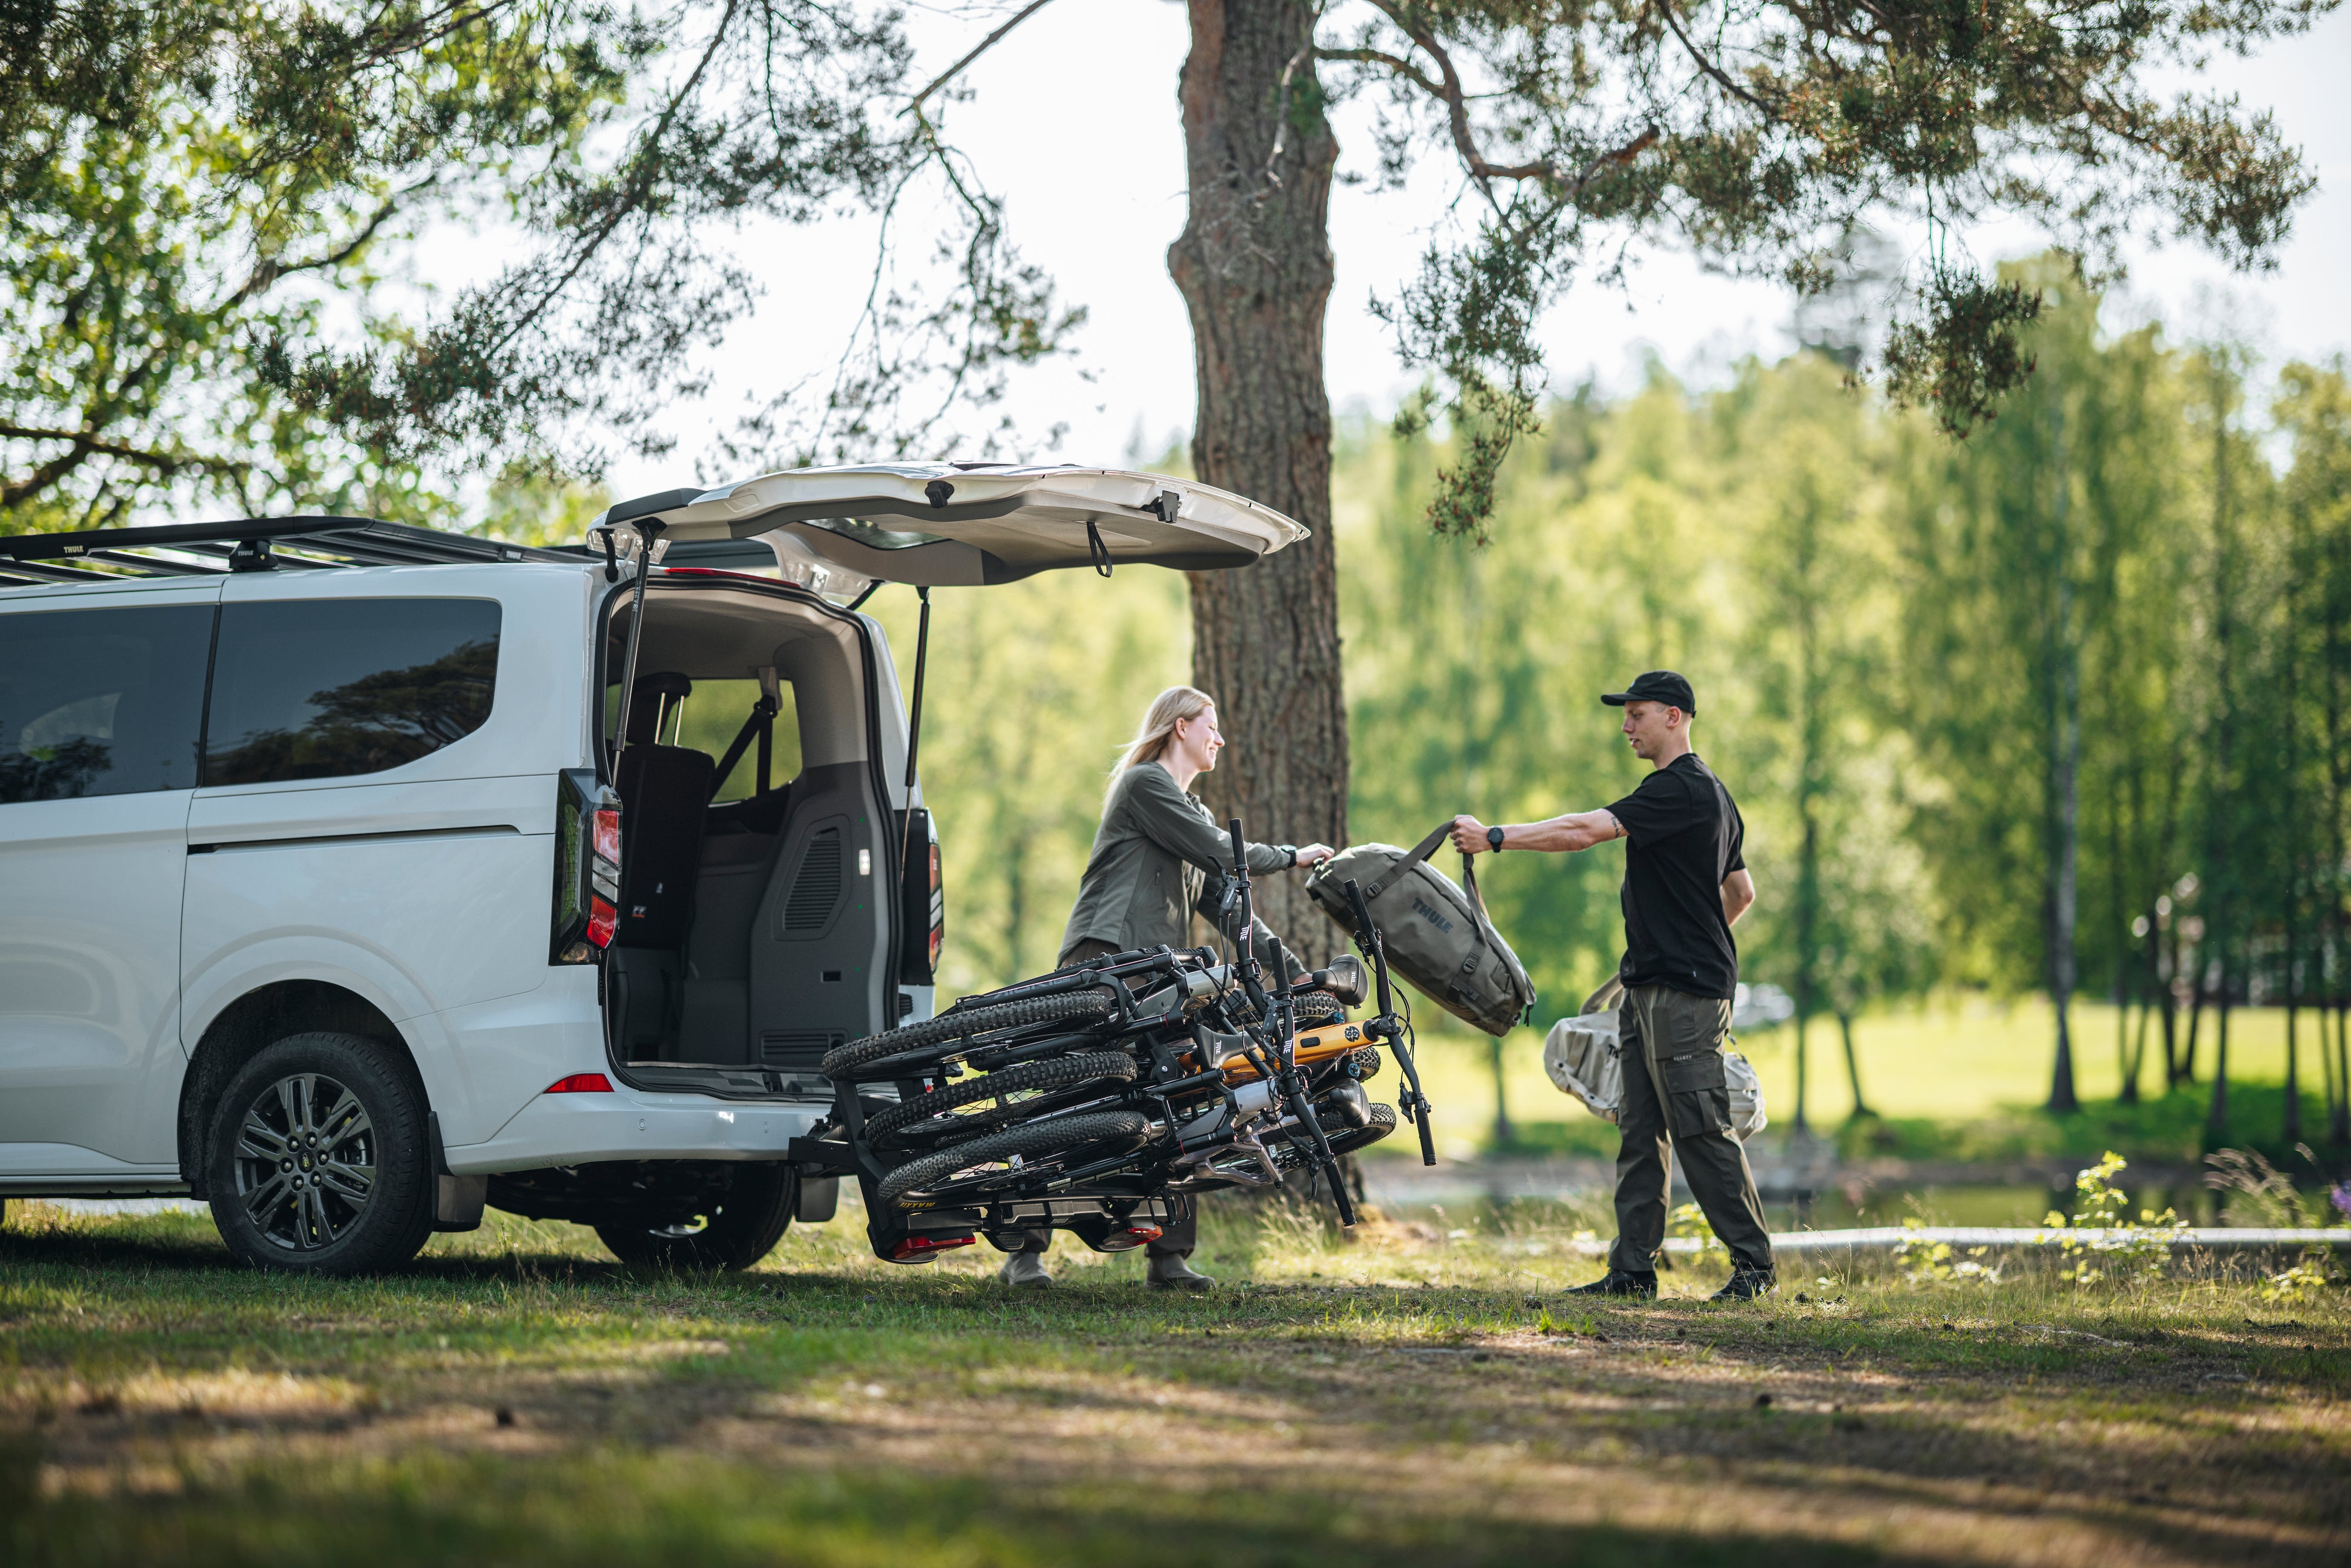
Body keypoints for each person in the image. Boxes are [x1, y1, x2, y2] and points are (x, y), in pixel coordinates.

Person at [1449, 670, 1776, 1301]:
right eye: (1624, 716)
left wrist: (1495, 837)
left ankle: (1755, 1268)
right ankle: (1631, 1271)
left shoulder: (1679, 788)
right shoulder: (1717, 796)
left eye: (1637, 714)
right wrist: (1680, 937)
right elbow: (1740, 894)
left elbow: (1582, 831)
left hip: (1684, 993)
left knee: (1700, 1128)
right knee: (1639, 1128)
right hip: (1652, 985)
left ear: (1675, 717)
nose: (1626, 727)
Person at [997, 685, 1334, 1291]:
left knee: (1183, 1099)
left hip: (1160, 973)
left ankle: (1169, 1257)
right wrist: (1291, 856)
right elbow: (1223, 855)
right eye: (1210, 725)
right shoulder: (1146, 786)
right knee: (1073, 1098)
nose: (1220, 738)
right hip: (1104, 958)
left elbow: (1226, 905)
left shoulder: (1188, 809)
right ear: (1179, 726)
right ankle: (1024, 1252)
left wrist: (1293, 972)